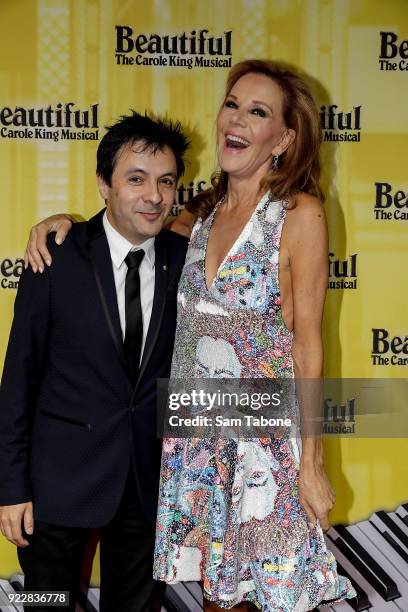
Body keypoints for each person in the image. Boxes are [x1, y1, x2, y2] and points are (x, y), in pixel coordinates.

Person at [21, 60, 357, 611]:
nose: (238, 118)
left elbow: (308, 344)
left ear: (284, 138)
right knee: (213, 601)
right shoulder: (193, 220)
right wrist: (62, 225)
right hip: (197, 445)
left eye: (258, 111)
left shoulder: (300, 215)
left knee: (267, 599)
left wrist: (312, 464)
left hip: (262, 452)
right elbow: (123, 235)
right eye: (232, 103)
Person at [0, 110, 189, 611]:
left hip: (148, 491)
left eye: (166, 182)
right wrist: (11, 488)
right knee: (45, 603)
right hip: (55, 487)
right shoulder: (55, 257)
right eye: (136, 179)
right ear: (104, 184)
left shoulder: (188, 261)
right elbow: (19, 377)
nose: (153, 195)